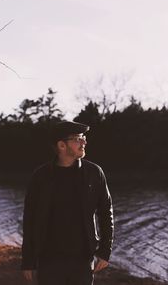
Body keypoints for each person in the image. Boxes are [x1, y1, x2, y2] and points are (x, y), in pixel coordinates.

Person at [21, 121, 114, 285]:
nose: (84, 142)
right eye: (78, 138)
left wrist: (105, 251)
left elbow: (106, 213)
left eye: (83, 137)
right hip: (48, 260)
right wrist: (28, 261)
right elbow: (30, 220)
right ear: (62, 145)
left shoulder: (94, 173)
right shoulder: (40, 177)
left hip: (83, 259)